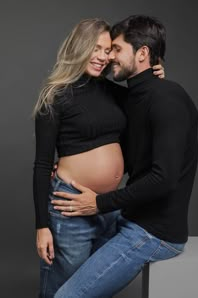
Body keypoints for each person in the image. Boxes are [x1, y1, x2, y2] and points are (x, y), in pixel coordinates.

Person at [51, 15, 198, 298]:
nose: (109, 58)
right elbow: (85, 94)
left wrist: (99, 203)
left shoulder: (168, 100)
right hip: (129, 217)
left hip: (154, 233)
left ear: (142, 53)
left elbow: (163, 179)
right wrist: (68, 161)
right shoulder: (133, 97)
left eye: (116, 50)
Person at [32, 18, 164, 298]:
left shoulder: (112, 92)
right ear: (80, 47)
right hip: (71, 209)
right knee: (64, 289)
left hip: (107, 207)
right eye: (97, 48)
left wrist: (156, 76)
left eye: (108, 50)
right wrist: (42, 226)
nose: (103, 57)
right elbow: (43, 164)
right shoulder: (55, 96)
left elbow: (144, 100)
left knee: (93, 288)